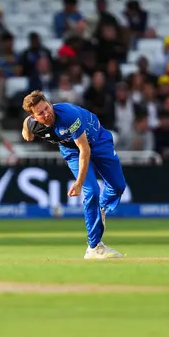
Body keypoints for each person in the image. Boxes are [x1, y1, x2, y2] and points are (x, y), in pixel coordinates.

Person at [21, 91, 126, 259]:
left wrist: (78, 183)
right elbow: (27, 123)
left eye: (47, 108)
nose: (47, 113)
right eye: (40, 113)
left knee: (118, 186)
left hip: (98, 141)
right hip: (71, 151)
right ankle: (94, 247)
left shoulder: (68, 116)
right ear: (34, 116)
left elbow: (85, 149)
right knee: (91, 191)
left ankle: (101, 207)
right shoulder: (33, 123)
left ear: (49, 103)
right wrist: (26, 131)